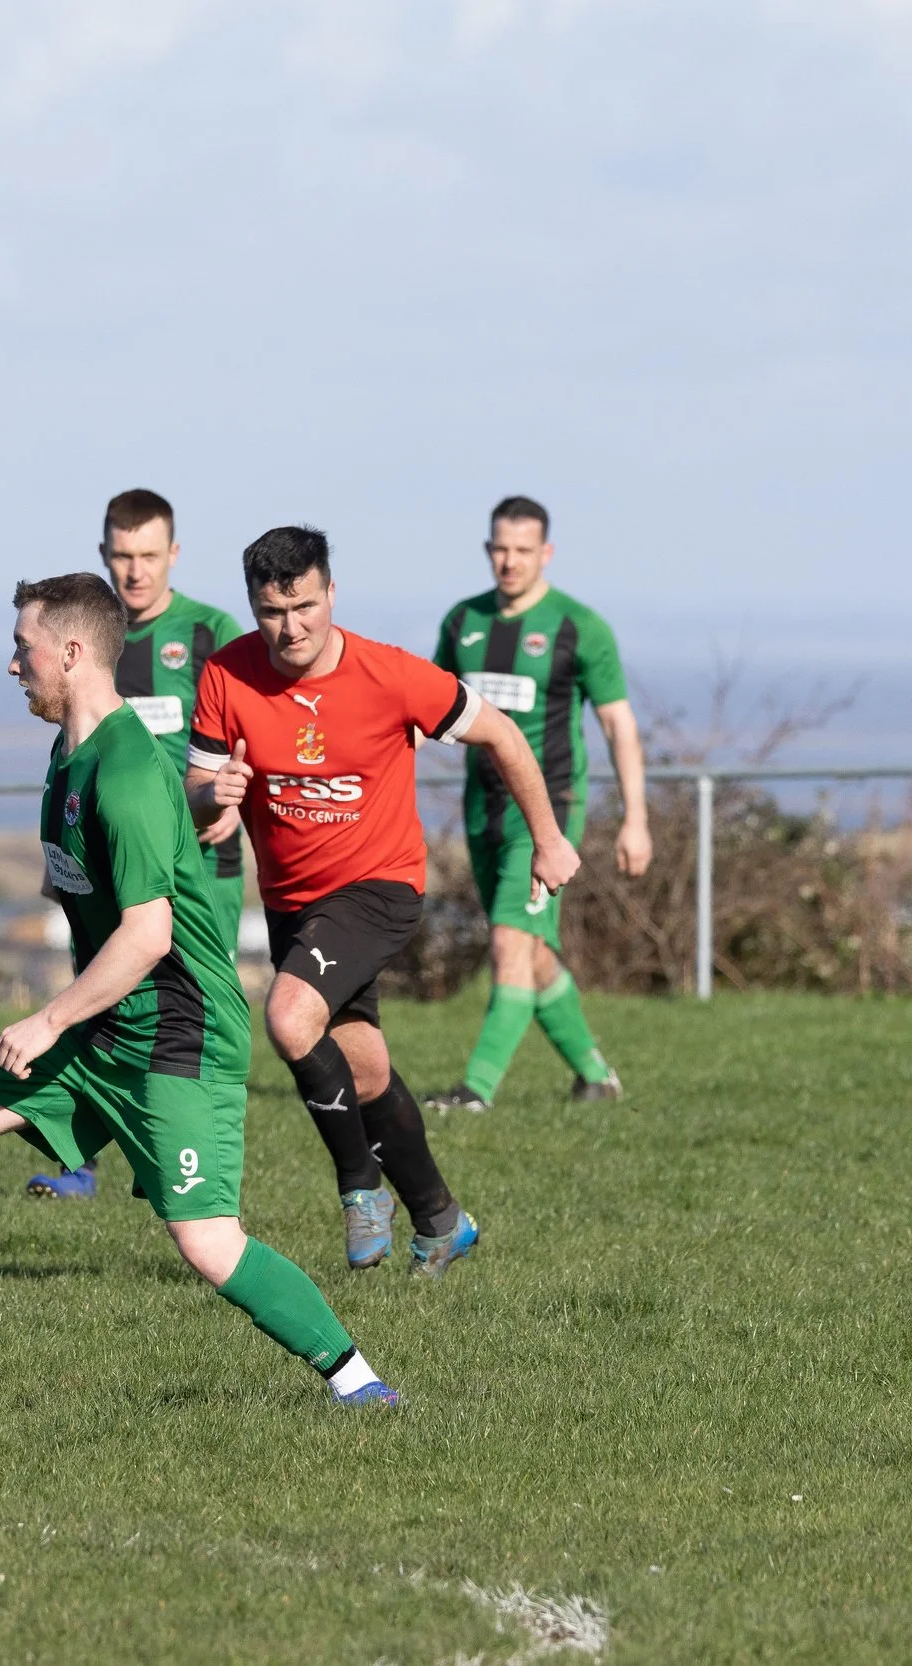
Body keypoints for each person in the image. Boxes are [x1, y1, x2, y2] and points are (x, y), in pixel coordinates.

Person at [0, 573, 398, 1409]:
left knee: (208, 1244)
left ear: (71, 652)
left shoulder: (127, 769)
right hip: (108, 1024)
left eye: (23, 647)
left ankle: (361, 1387)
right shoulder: (70, 750)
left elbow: (149, 934)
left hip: (178, 1032)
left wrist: (47, 1018)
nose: (11, 664)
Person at [185, 527, 579, 1276]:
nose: (290, 626)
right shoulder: (225, 675)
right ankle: (441, 1218)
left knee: (288, 1016)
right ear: (253, 606)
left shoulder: (393, 675)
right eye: (272, 611)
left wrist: (549, 839)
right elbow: (199, 801)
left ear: (332, 593)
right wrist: (214, 796)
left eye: (304, 606)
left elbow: (502, 735)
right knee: (362, 1072)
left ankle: (361, 1186)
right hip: (292, 900)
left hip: (379, 887)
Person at [27, 489, 247, 1203]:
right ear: (103, 556)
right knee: (97, 979)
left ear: (173, 555)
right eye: (121, 556)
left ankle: (192, 1166)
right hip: (104, 851)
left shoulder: (211, 632)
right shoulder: (88, 637)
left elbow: (248, 734)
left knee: (187, 1003)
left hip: (195, 850)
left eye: (148, 556)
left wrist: (229, 795)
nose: (134, 571)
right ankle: (81, 1162)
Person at [423, 497, 651, 1113]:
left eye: (523, 550)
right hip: (482, 809)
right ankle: (596, 1077)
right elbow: (426, 709)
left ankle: (475, 1093)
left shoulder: (579, 627)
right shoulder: (462, 622)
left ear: (546, 553)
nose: (510, 561)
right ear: (487, 549)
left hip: (548, 813)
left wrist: (636, 819)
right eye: (500, 548)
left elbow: (619, 726)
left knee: (506, 940)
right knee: (531, 949)